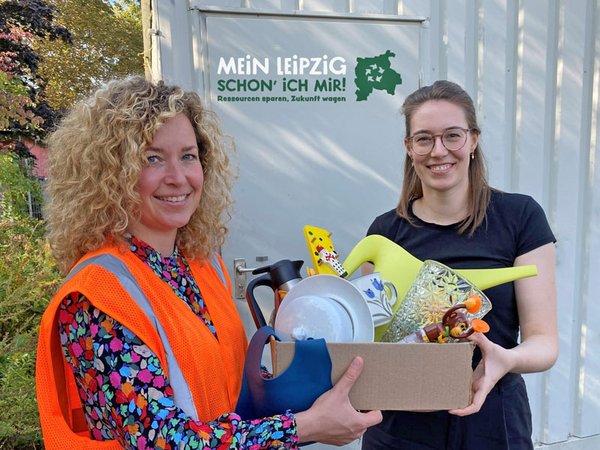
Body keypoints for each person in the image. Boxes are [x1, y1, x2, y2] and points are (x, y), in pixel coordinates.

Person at [35, 76, 382, 449]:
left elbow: (228, 385)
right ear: (111, 174)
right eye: (152, 158)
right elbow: (163, 441)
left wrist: (315, 389)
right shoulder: (96, 296)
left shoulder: (201, 264)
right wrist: (303, 427)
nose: (179, 177)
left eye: (188, 156)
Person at [360, 80, 558, 449]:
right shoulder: (384, 233)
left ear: (473, 140)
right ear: (409, 147)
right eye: (424, 139)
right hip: (400, 424)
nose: (439, 151)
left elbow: (544, 342)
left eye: (452, 135)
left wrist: (504, 359)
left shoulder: (520, 217)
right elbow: (372, 338)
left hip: (491, 415)